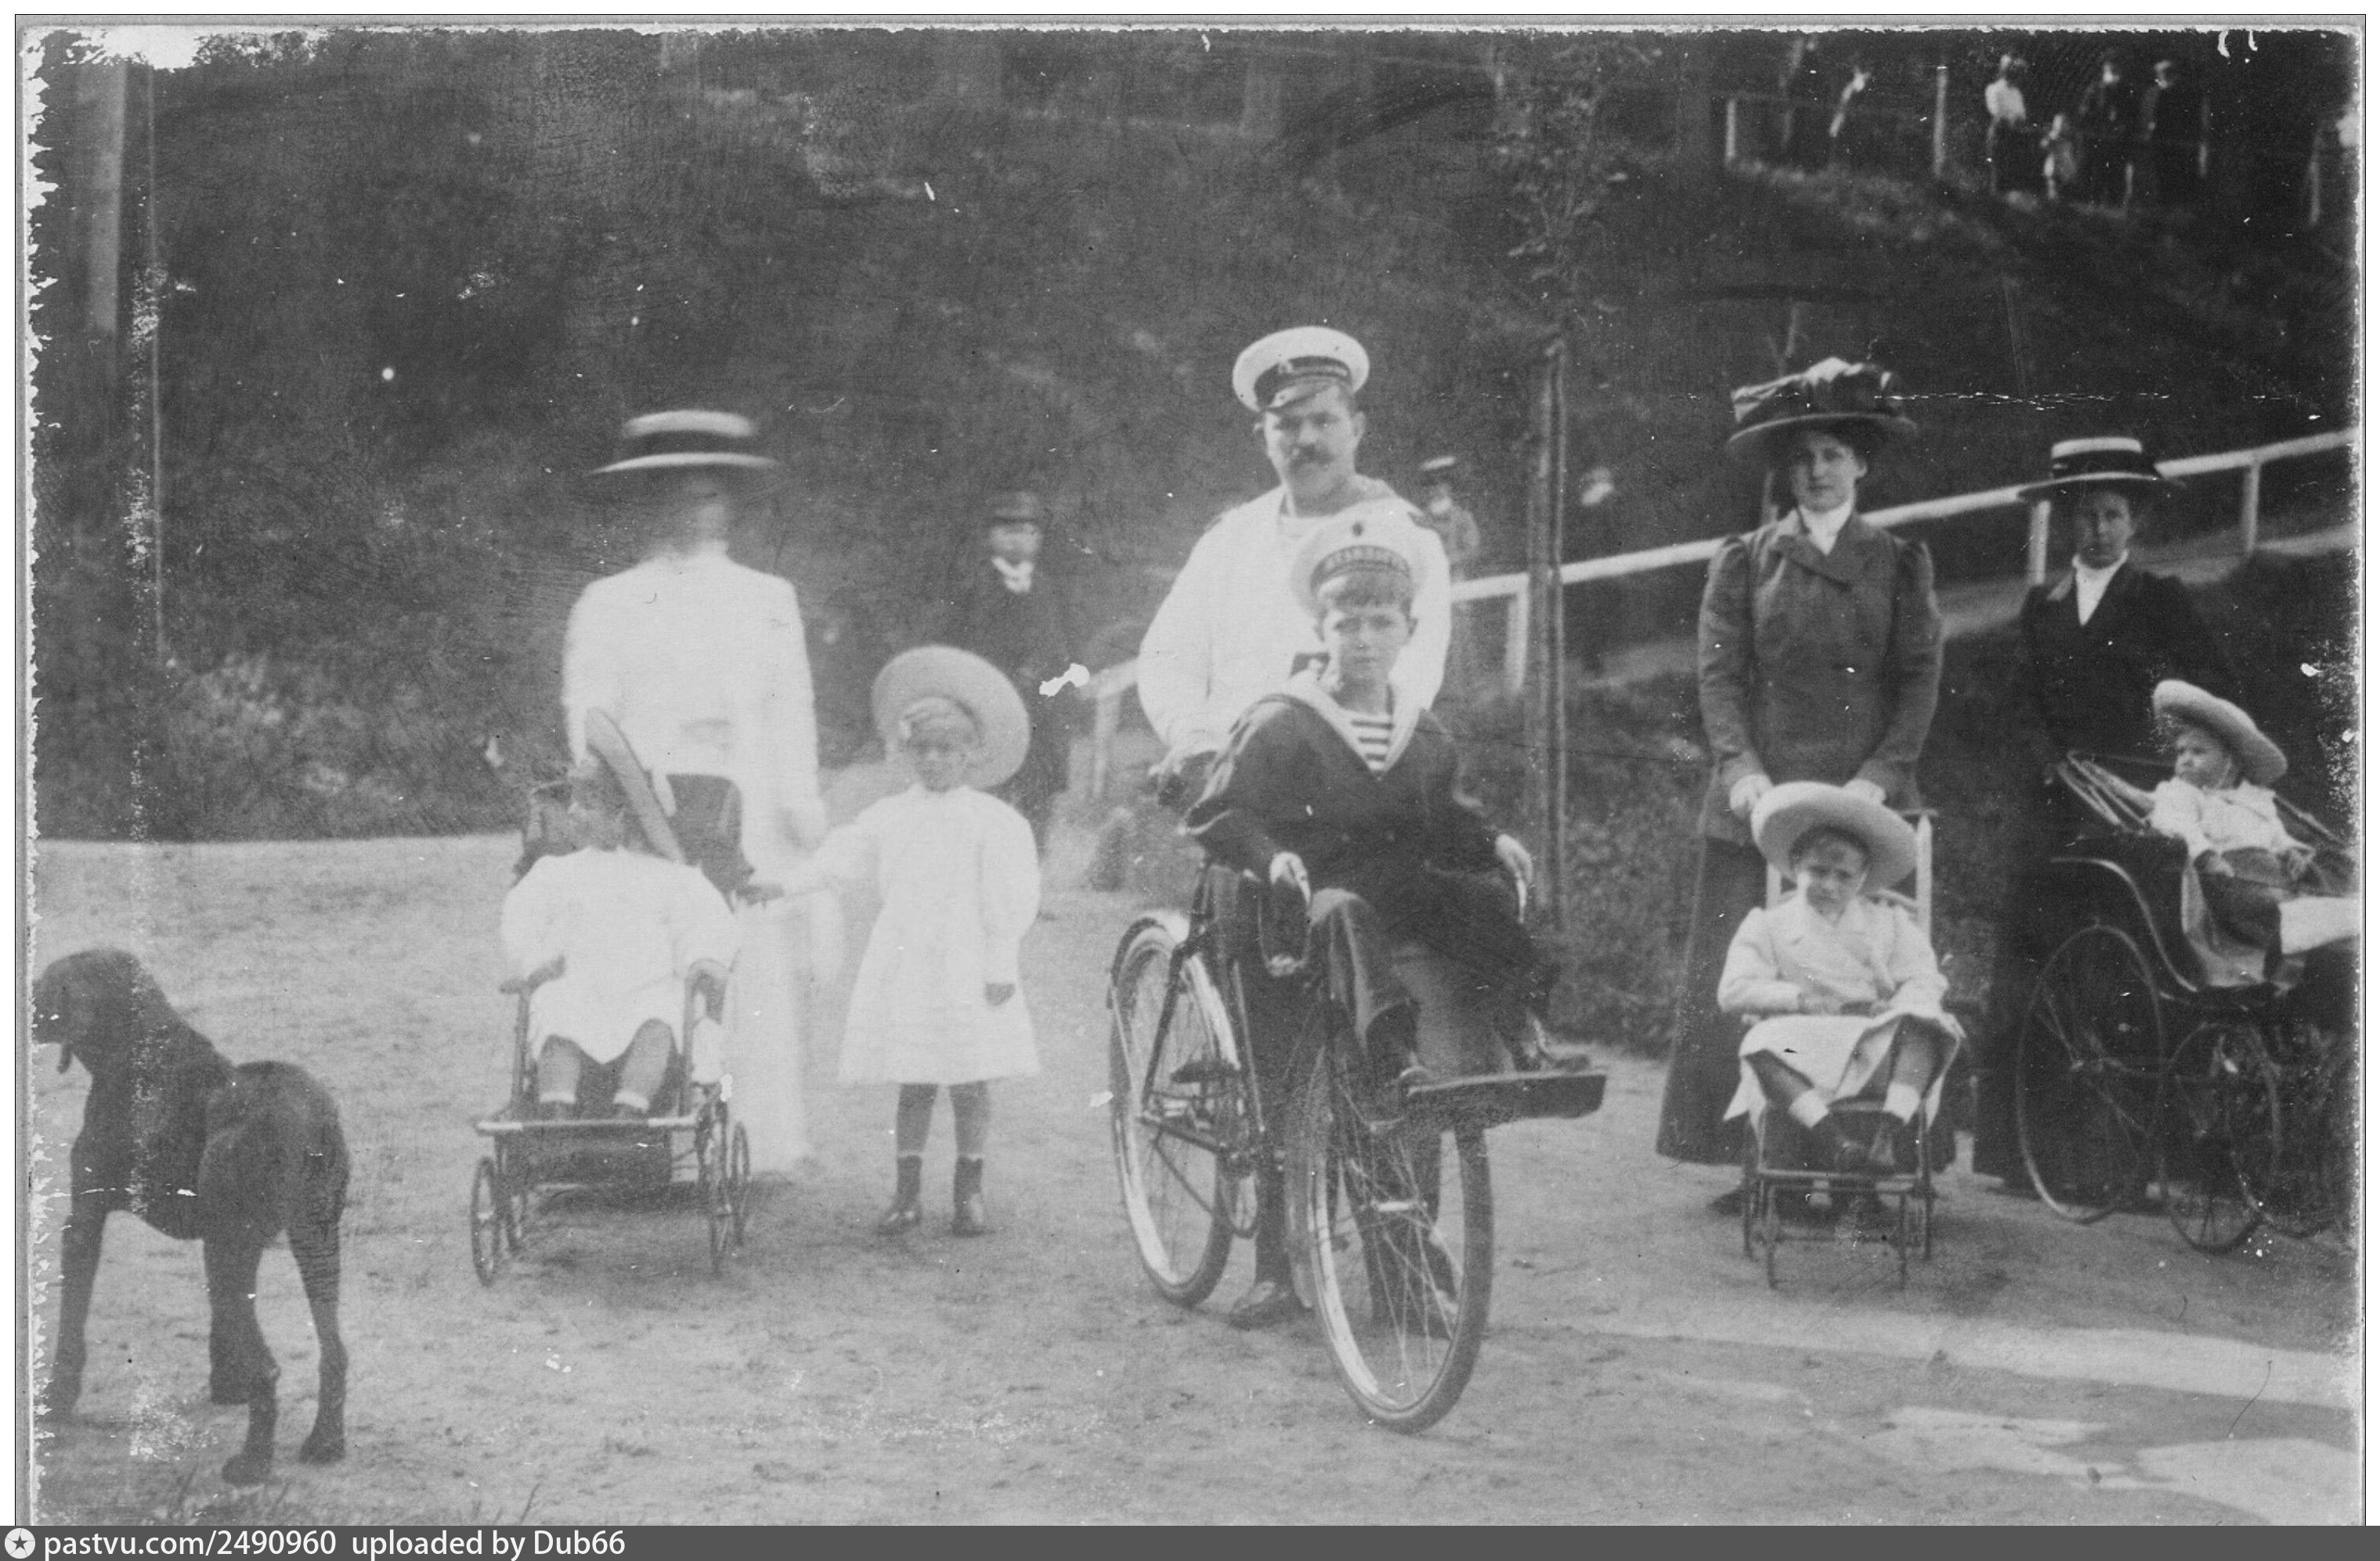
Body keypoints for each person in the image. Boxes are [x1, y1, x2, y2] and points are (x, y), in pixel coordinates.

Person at [1185, 502, 1547, 1328]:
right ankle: (1278, 1270)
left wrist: (1493, 842)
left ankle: (1517, 1022)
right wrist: (1267, 854)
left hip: (1386, 913)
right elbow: (1217, 812)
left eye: (1381, 622)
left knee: (1481, 899)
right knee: (1292, 1079)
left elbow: (1446, 818)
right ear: (1321, 628)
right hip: (1295, 912)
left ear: (1407, 630)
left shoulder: (1420, 734)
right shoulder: (1283, 720)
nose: (1363, 638)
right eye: (1346, 622)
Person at [1656, 358, 1942, 1205]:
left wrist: (1881, 774)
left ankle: (1869, 1155)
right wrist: (1741, 768)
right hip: (1762, 793)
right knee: (1754, 970)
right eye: (1803, 457)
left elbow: (1919, 677)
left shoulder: (1897, 561)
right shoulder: (1747, 561)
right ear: (1785, 471)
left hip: (1866, 790)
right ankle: (1764, 1167)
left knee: (1869, 970)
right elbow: (1719, 678)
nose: (1817, 470)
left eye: (1833, 454)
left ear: (1862, 464)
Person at [563, 409, 829, 1174]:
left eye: (708, 494)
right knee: (649, 958)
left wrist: (798, 798)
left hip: (743, 799)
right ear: (647, 503)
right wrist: (616, 791)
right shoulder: (609, 601)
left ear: (730, 503)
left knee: (741, 956)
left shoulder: (767, 597)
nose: (692, 510)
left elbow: (791, 707)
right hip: (648, 803)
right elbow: (589, 711)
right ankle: (643, 1138)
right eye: (673, 494)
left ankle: (751, 1137)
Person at [1974, 435, 2238, 1187]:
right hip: (2052, 804)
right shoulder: (2043, 605)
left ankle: (2124, 1164)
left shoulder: (2159, 599)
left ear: (2134, 521)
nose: (2097, 529)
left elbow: (2209, 692)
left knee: (2126, 971)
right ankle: (2026, 1159)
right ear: (2066, 520)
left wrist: (2161, 758)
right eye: (2084, 514)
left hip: (2134, 805)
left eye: (2112, 514)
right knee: (2038, 965)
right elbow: (2020, 701)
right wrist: (2049, 760)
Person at [779, 648, 1041, 1238]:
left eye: (946, 749)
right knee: (915, 1076)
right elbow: (841, 858)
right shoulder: (890, 815)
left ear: (971, 753)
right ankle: (906, 1193)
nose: (933, 760)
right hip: (909, 961)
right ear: (907, 753)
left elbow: (1009, 900)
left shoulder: (994, 822)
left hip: (968, 960)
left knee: (970, 1078)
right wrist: (786, 884)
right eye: (922, 749)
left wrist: (1000, 962)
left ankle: (969, 1192)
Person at [1136, 327, 1453, 803]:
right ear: (1262, 437)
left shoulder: (1404, 535)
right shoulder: (1229, 538)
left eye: (1324, 421)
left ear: (1357, 428)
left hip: (1347, 787)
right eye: (1286, 425)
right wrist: (1191, 735)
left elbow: (1413, 675)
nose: (1305, 439)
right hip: (1227, 787)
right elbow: (1169, 656)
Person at [1721, 782, 1961, 1183]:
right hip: (1801, 1042)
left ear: (1862, 878)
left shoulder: (1887, 923)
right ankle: (1834, 1140)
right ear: (1796, 865)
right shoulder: (1769, 924)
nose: (1830, 886)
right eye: (1818, 872)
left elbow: (1925, 979)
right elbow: (1733, 989)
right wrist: (1798, 998)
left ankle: (1886, 1138)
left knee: (1927, 1026)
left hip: (1871, 1041)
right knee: (1757, 1044)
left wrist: (1898, 1005)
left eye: (1844, 876)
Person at [500, 742, 739, 1120]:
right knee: (557, 1012)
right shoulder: (557, 872)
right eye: (573, 803)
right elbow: (522, 916)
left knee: (660, 1019)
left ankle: (630, 1109)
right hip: (578, 985)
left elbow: (704, 922)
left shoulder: (671, 878)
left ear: (622, 816)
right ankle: (557, 1111)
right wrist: (535, 960)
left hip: (648, 988)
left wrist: (702, 959)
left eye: (587, 806)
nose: (573, 812)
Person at [2146, 680, 2358, 988]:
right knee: (2278, 907)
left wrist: (2290, 851)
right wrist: (2205, 855)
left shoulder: (2254, 799)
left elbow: (2275, 836)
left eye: (2198, 751)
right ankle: (2302, 933)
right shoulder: (2183, 794)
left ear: (2231, 761)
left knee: (2322, 875)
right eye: (2180, 752)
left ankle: (2322, 921)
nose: (2185, 759)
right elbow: (2179, 825)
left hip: (2272, 875)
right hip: (2229, 881)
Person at [937, 490, 1079, 847]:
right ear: (991, 537)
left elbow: (1056, 644)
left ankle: (1031, 870)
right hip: (990, 707)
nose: (1018, 540)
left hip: (1040, 715)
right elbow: (957, 645)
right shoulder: (974, 587)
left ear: (1038, 539)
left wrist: (1043, 675)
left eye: (1028, 532)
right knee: (987, 795)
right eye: (1008, 531)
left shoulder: (1045, 587)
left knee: (1036, 801)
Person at [2075, 52, 2138, 206]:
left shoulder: (2125, 91)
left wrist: (2123, 127)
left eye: (2117, 72)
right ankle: (2094, 204)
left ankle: (2114, 205)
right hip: (2098, 141)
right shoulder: (2095, 90)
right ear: (2105, 72)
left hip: (2117, 143)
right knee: (2097, 175)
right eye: (2112, 71)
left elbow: (2131, 116)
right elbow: (2084, 114)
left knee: (2116, 177)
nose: (2115, 76)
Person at [1415, 454, 1483, 579]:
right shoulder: (1420, 519)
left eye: (1441, 484)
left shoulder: (1462, 518)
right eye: (1431, 485)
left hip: (1455, 578)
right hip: (1428, 578)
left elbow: (1472, 550)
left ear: (1450, 487)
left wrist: (1448, 561)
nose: (1436, 490)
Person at [1985, 55, 2035, 197]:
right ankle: (1996, 200)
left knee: (2013, 172)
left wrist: (2017, 121)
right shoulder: (1994, 89)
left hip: (2015, 135)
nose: (2017, 76)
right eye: (2013, 71)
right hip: (1999, 134)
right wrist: (2011, 119)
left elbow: (2021, 115)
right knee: (1998, 171)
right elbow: (1996, 112)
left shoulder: (2016, 93)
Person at [2040, 112, 2083, 203]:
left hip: (2067, 165)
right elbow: (2044, 146)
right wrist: (2051, 138)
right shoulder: (2053, 136)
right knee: (2053, 185)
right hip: (2054, 164)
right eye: (2059, 124)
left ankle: (2064, 202)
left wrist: (2075, 164)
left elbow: (2077, 151)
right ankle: (2052, 200)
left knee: (2066, 187)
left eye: (2065, 124)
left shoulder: (2072, 137)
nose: (2062, 127)